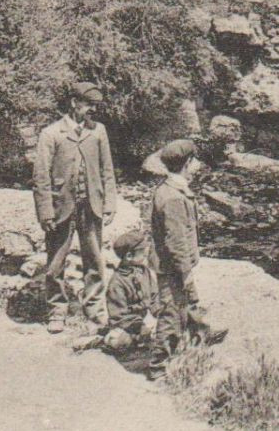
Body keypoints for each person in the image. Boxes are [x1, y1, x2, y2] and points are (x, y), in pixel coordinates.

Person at [33, 82, 119, 333]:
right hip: (61, 208)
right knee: (56, 262)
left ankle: (93, 308)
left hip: (91, 206)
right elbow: (40, 177)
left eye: (95, 105)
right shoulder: (51, 134)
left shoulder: (98, 131)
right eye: (88, 105)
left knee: (93, 258)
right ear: (74, 103)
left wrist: (110, 202)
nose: (92, 110)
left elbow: (107, 170)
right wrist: (46, 211)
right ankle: (57, 310)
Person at [144, 138, 226, 347]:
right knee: (171, 311)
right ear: (187, 163)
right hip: (172, 264)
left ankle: (199, 332)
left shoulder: (172, 188)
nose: (198, 165)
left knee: (189, 298)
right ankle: (159, 364)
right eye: (195, 159)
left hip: (173, 262)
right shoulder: (173, 197)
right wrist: (186, 270)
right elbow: (176, 240)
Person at [91, 227, 175, 377]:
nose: (146, 254)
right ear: (129, 256)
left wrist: (159, 313)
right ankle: (102, 340)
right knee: (118, 341)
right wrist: (140, 327)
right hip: (127, 325)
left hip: (144, 321)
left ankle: (144, 340)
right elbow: (119, 316)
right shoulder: (117, 283)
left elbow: (154, 296)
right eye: (142, 252)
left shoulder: (144, 271)